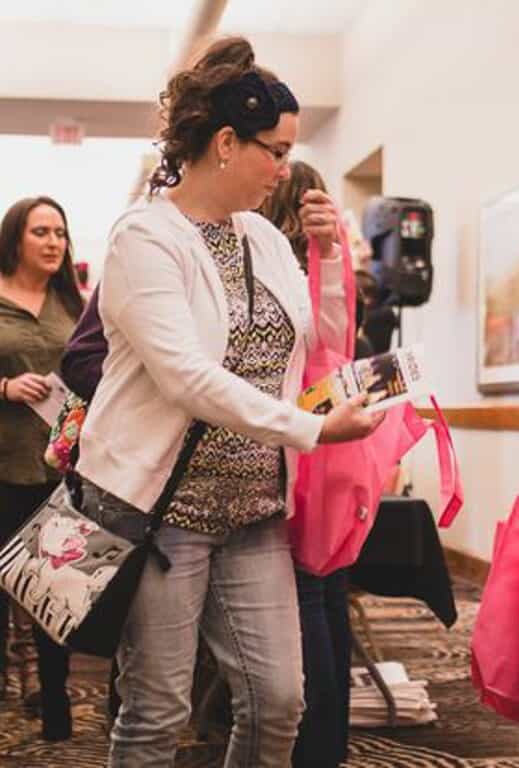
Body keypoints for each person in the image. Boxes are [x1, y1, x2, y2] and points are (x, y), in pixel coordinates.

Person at [75, 36, 383, 768]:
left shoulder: (264, 241)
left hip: (252, 512)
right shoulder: (144, 237)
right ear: (224, 143)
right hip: (163, 515)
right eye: (274, 152)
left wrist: (330, 261)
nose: (284, 168)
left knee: (280, 703)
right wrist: (311, 429)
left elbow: (321, 344)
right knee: (156, 709)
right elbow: (185, 375)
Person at [262, 160, 355, 768]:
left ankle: (314, 747)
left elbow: (333, 341)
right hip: (322, 452)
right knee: (320, 593)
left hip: (295, 449)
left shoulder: (302, 272)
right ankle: (323, 746)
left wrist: (329, 250)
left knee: (309, 594)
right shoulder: (317, 266)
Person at [0, 195, 84, 740]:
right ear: (15, 240)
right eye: (41, 232)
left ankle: (56, 707)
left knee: (55, 595)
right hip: (2, 468)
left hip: (61, 472)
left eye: (60, 232)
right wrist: (4, 387)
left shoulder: (74, 304)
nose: (53, 242)